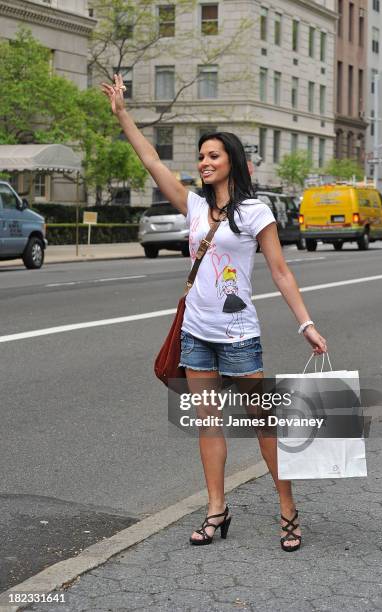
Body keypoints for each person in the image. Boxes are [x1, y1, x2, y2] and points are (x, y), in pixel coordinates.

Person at [101, 74, 328, 552]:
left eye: (213, 156)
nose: (203, 162)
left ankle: (287, 511)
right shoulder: (194, 206)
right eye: (201, 156)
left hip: (239, 332)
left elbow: (282, 272)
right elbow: (149, 159)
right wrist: (123, 114)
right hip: (196, 332)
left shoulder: (255, 213)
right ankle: (216, 509)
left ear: (233, 163)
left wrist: (305, 323)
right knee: (208, 424)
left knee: (263, 424)